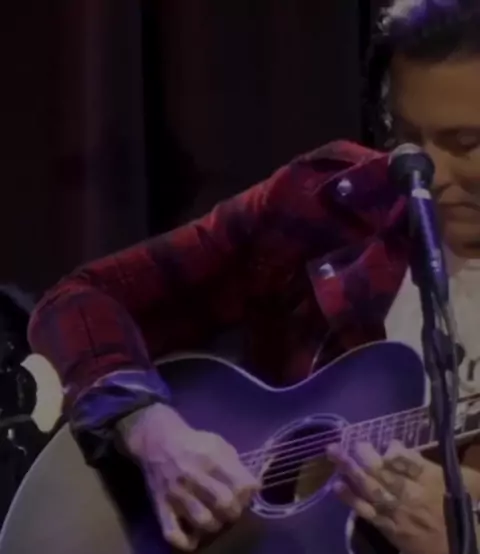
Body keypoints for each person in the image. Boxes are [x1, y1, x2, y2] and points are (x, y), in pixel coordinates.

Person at [28, 0, 480, 552]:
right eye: (406, 137)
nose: (427, 175)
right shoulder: (326, 203)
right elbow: (81, 300)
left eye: (467, 144)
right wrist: (149, 429)